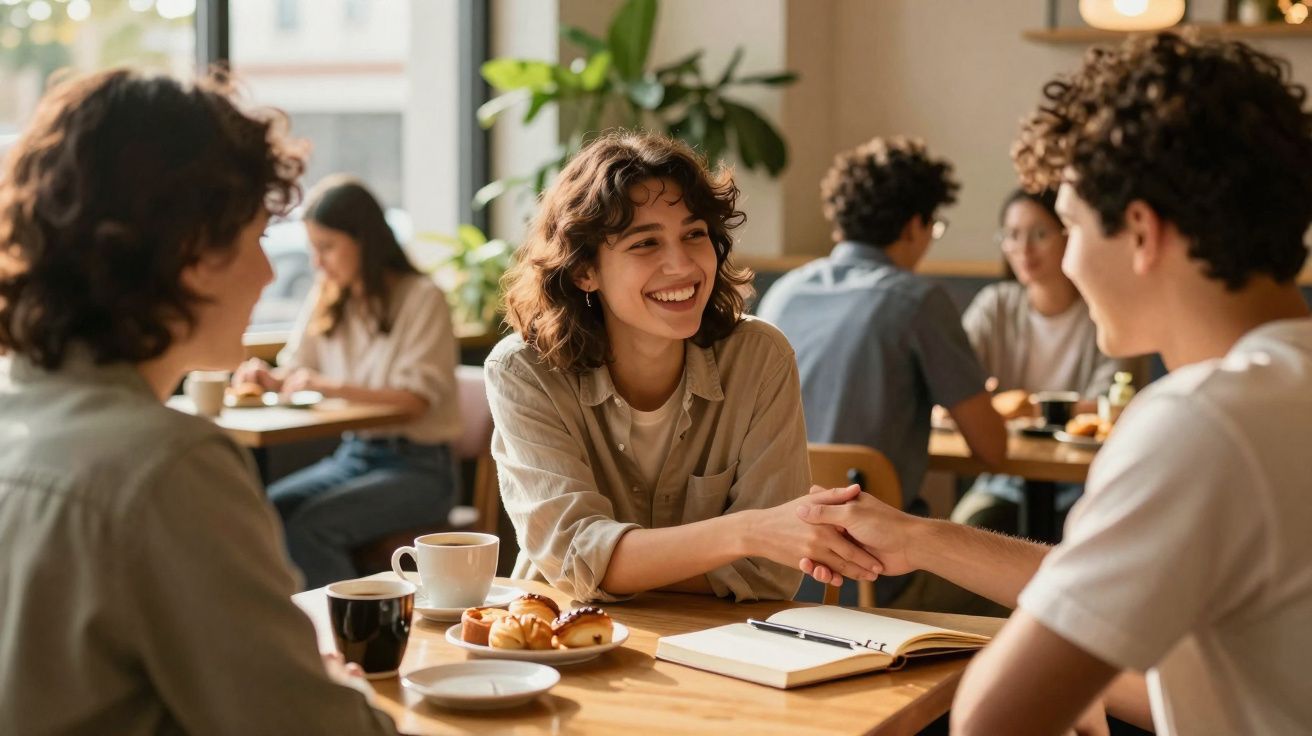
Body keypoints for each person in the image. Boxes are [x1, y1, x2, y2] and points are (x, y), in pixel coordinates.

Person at [796, 32, 1312, 735]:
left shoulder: (1202, 423)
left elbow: (990, 721)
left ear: (1140, 231)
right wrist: (917, 539)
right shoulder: (1279, 394)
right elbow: (1221, 678)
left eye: (1067, 228)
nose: (1063, 264)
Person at [0, 70, 397, 734]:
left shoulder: (19, 418)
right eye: (257, 237)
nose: (271, 273)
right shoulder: (169, 468)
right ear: (191, 250)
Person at [486, 132, 881, 603]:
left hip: (727, 648)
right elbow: (575, 558)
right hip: (567, 649)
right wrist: (749, 532)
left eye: (694, 235)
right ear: (583, 271)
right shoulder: (524, 371)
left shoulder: (760, 359)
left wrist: (618, 567)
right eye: (644, 243)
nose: (682, 264)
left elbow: (772, 573)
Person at [755, 136, 1006, 612]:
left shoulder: (785, 294)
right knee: (1020, 593)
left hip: (775, 570)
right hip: (874, 578)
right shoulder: (917, 300)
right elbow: (991, 448)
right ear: (914, 225)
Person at [234, 175, 461, 590]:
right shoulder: (328, 296)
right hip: (354, 456)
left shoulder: (421, 297)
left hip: (421, 469)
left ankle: (344, 639)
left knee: (311, 528)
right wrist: (267, 378)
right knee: (267, 510)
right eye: (313, 250)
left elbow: (416, 403)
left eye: (327, 248)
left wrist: (327, 387)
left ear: (364, 240)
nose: (318, 263)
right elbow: (298, 369)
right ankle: (291, 634)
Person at [951, 187, 1142, 535]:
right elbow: (953, 384)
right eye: (1012, 235)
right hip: (1003, 478)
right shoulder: (995, 306)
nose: (1024, 249)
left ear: (1068, 236)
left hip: (1086, 480)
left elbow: (1109, 405)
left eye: (1039, 234)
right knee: (968, 532)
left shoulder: (1104, 311)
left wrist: (1017, 407)